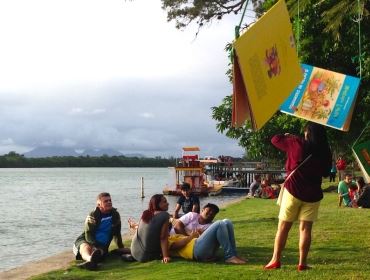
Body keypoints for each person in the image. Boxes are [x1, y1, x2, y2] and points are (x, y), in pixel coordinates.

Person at [265, 122, 332, 271]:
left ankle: (275, 260)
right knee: (305, 229)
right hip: (313, 195)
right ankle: (302, 263)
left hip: (293, 191)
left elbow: (275, 139)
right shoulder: (325, 151)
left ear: (307, 133)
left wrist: (288, 135)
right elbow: (326, 173)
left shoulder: (297, 143)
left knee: (283, 228)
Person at [73, 192, 129, 270]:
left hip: (101, 246)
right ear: (99, 204)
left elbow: (117, 234)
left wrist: (121, 248)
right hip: (86, 239)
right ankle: (90, 259)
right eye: (106, 201)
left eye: (110, 200)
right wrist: (94, 246)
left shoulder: (115, 215)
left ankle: (91, 262)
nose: (109, 202)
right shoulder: (93, 215)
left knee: (100, 252)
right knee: (85, 246)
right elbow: (88, 234)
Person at [168, 219, 246, 264]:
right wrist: (191, 237)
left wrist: (200, 235)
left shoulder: (173, 236)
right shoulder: (165, 241)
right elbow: (175, 246)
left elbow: (188, 240)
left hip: (199, 245)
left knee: (227, 222)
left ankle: (234, 254)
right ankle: (230, 257)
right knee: (219, 223)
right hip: (195, 251)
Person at [130, 194, 171, 263]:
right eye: (164, 202)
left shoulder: (146, 213)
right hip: (147, 256)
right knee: (173, 245)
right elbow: (163, 238)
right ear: (158, 204)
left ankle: (120, 251)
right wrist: (165, 256)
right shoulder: (165, 215)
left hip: (133, 251)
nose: (168, 203)